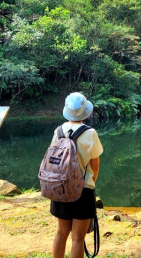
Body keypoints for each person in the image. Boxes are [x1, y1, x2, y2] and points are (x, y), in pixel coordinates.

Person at [50, 92, 103, 258]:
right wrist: (89, 184)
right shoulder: (90, 133)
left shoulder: (58, 131)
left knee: (61, 233)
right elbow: (95, 166)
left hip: (60, 189)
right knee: (78, 238)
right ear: (85, 112)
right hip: (83, 191)